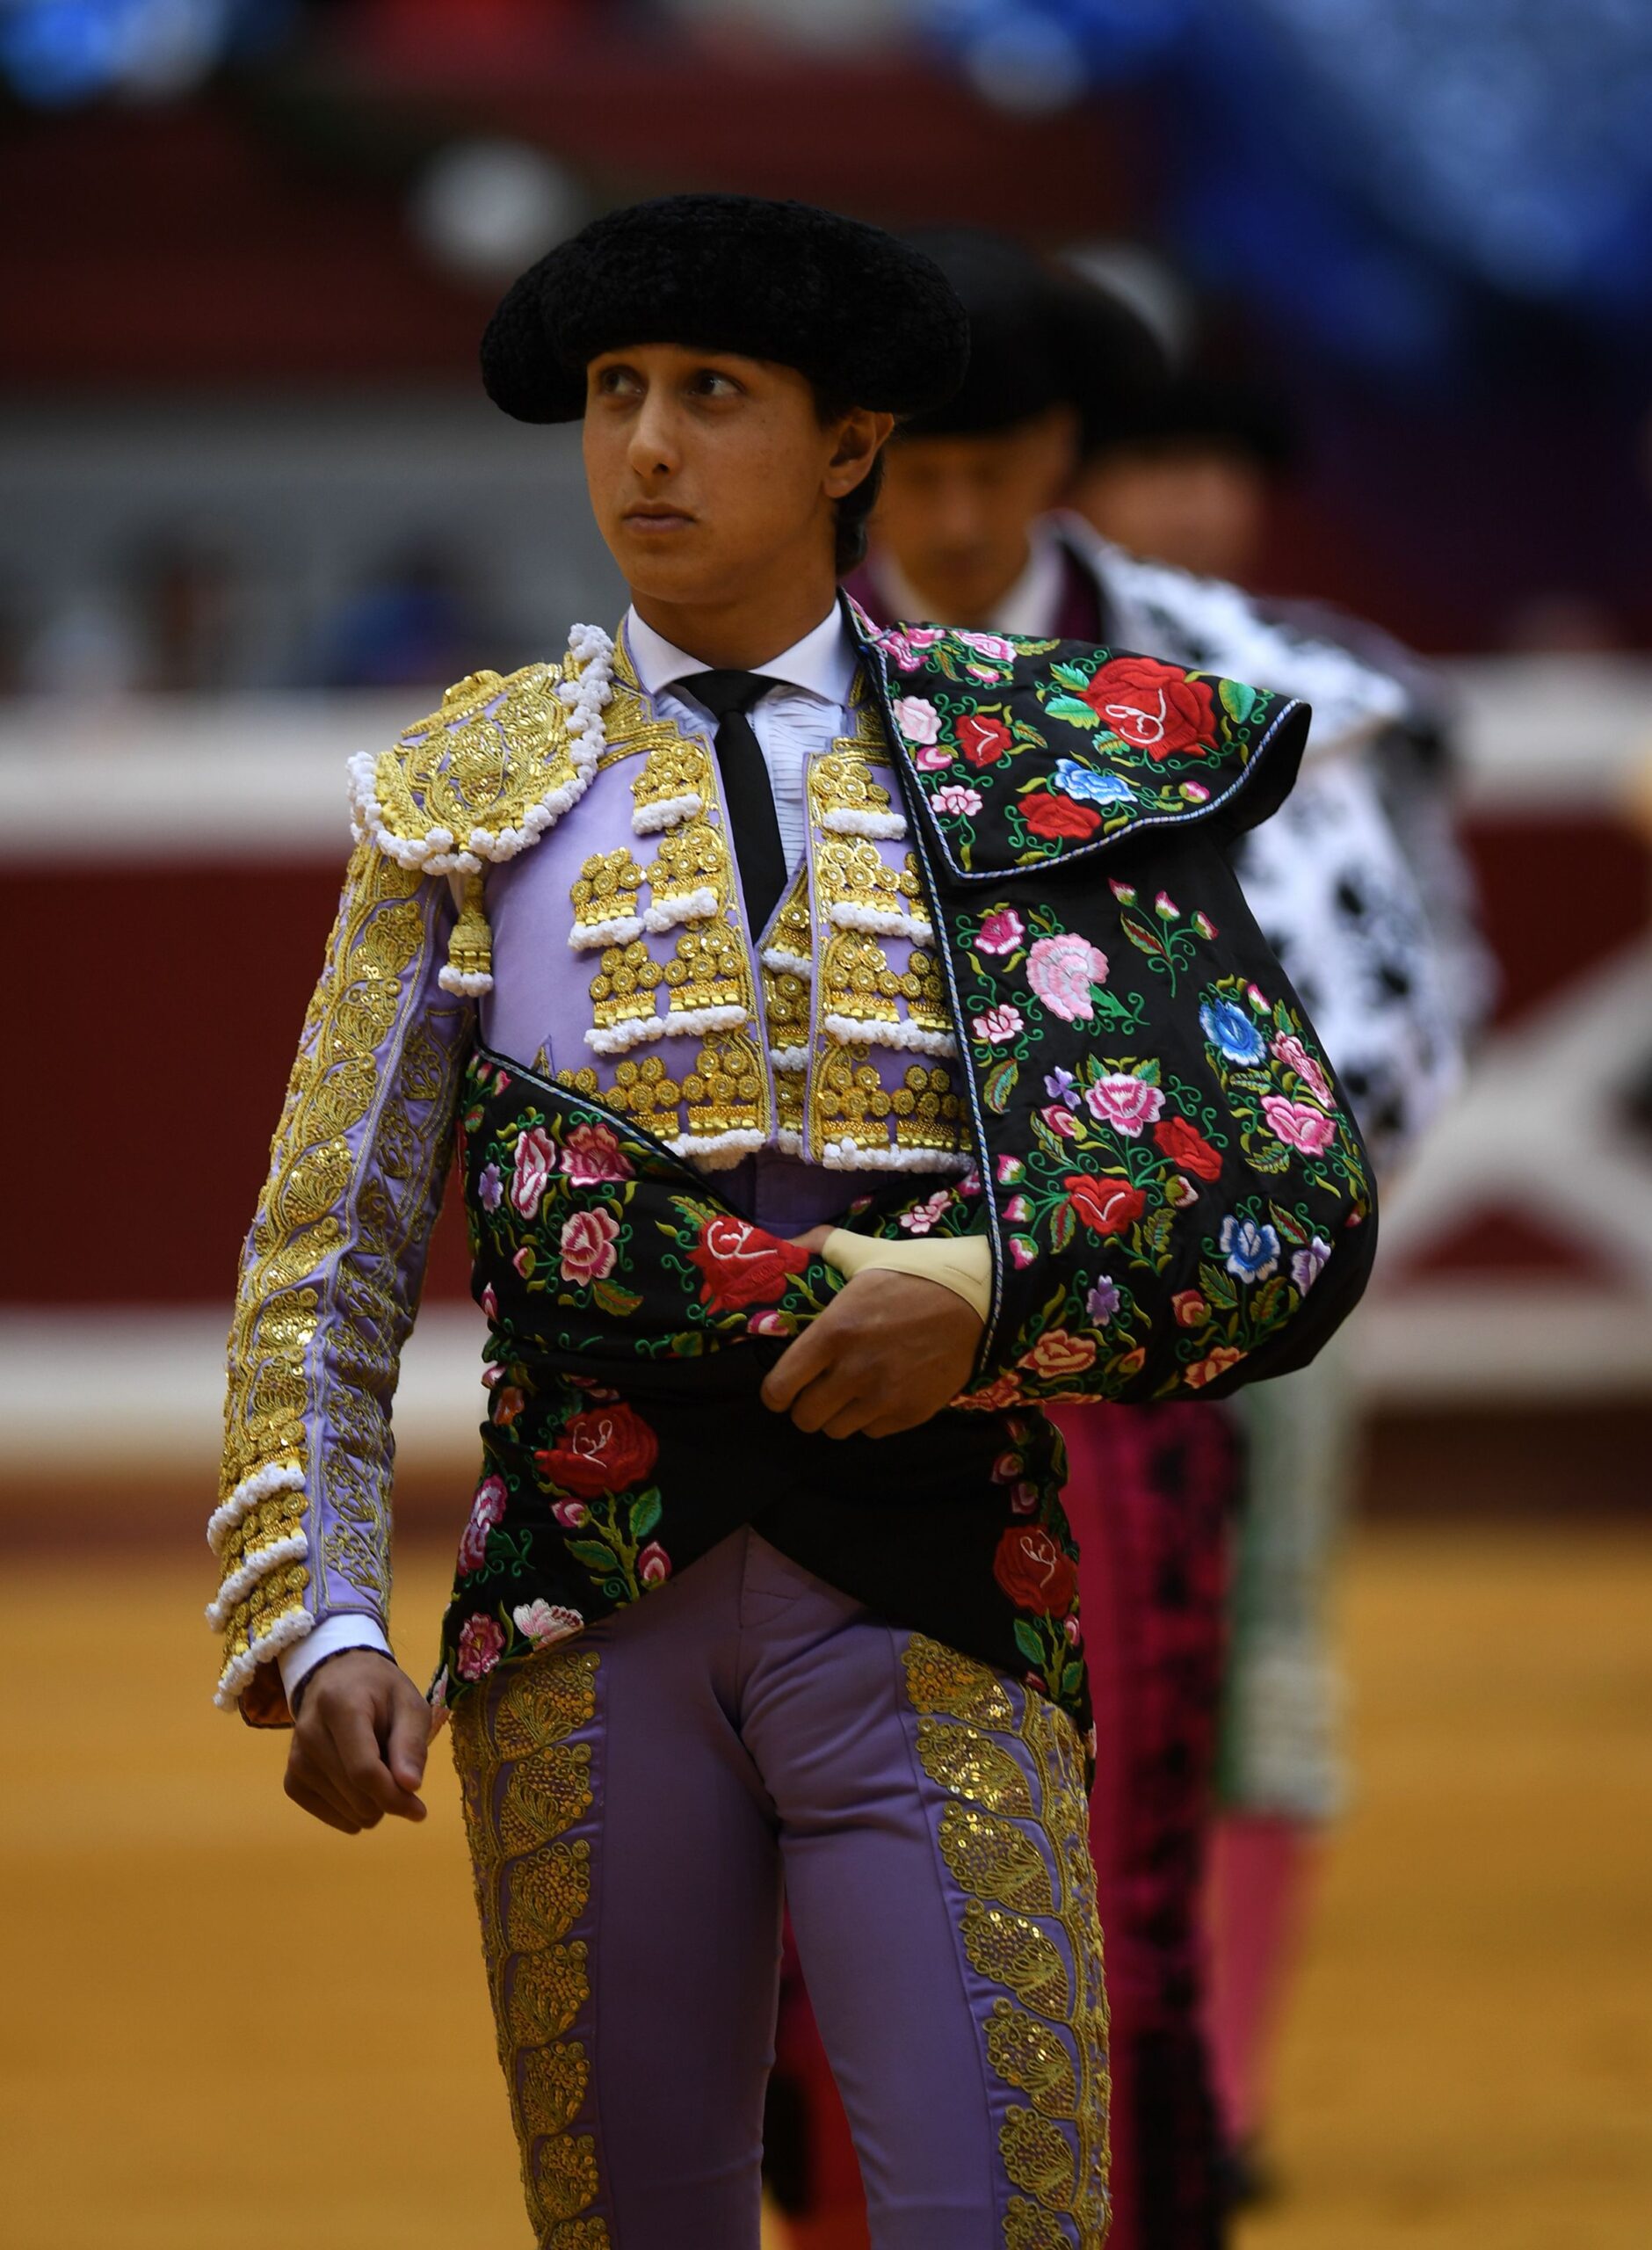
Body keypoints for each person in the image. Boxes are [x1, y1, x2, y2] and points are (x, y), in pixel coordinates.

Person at [208, 194, 1375, 2250]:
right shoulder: (465, 793)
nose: (645, 446)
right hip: (585, 1612)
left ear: (849, 444)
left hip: (938, 1575)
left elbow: (1273, 1193)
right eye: (613, 395)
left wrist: (989, 1288)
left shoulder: (1040, 756)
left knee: (993, 2217)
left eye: (711, 396)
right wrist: (317, 1618)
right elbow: (333, 1246)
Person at [848, 229, 1474, 2247]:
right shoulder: (748, 685)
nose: (948, 517)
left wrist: (1150, 1249)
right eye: (909, 468)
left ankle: (1192, 2110)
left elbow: (1379, 1035)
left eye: (986, 462)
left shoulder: (1253, 692)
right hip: (849, 1334)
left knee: (1199, 1730)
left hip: (1204, 1326)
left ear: (1059, 451)